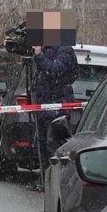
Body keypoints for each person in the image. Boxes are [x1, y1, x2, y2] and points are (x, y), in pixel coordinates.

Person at [27, 39, 79, 192]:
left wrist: (39, 55)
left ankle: (55, 185)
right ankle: (45, 181)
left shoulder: (65, 50)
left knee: (53, 148)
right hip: (45, 106)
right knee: (42, 146)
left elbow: (54, 70)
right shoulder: (47, 49)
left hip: (57, 108)